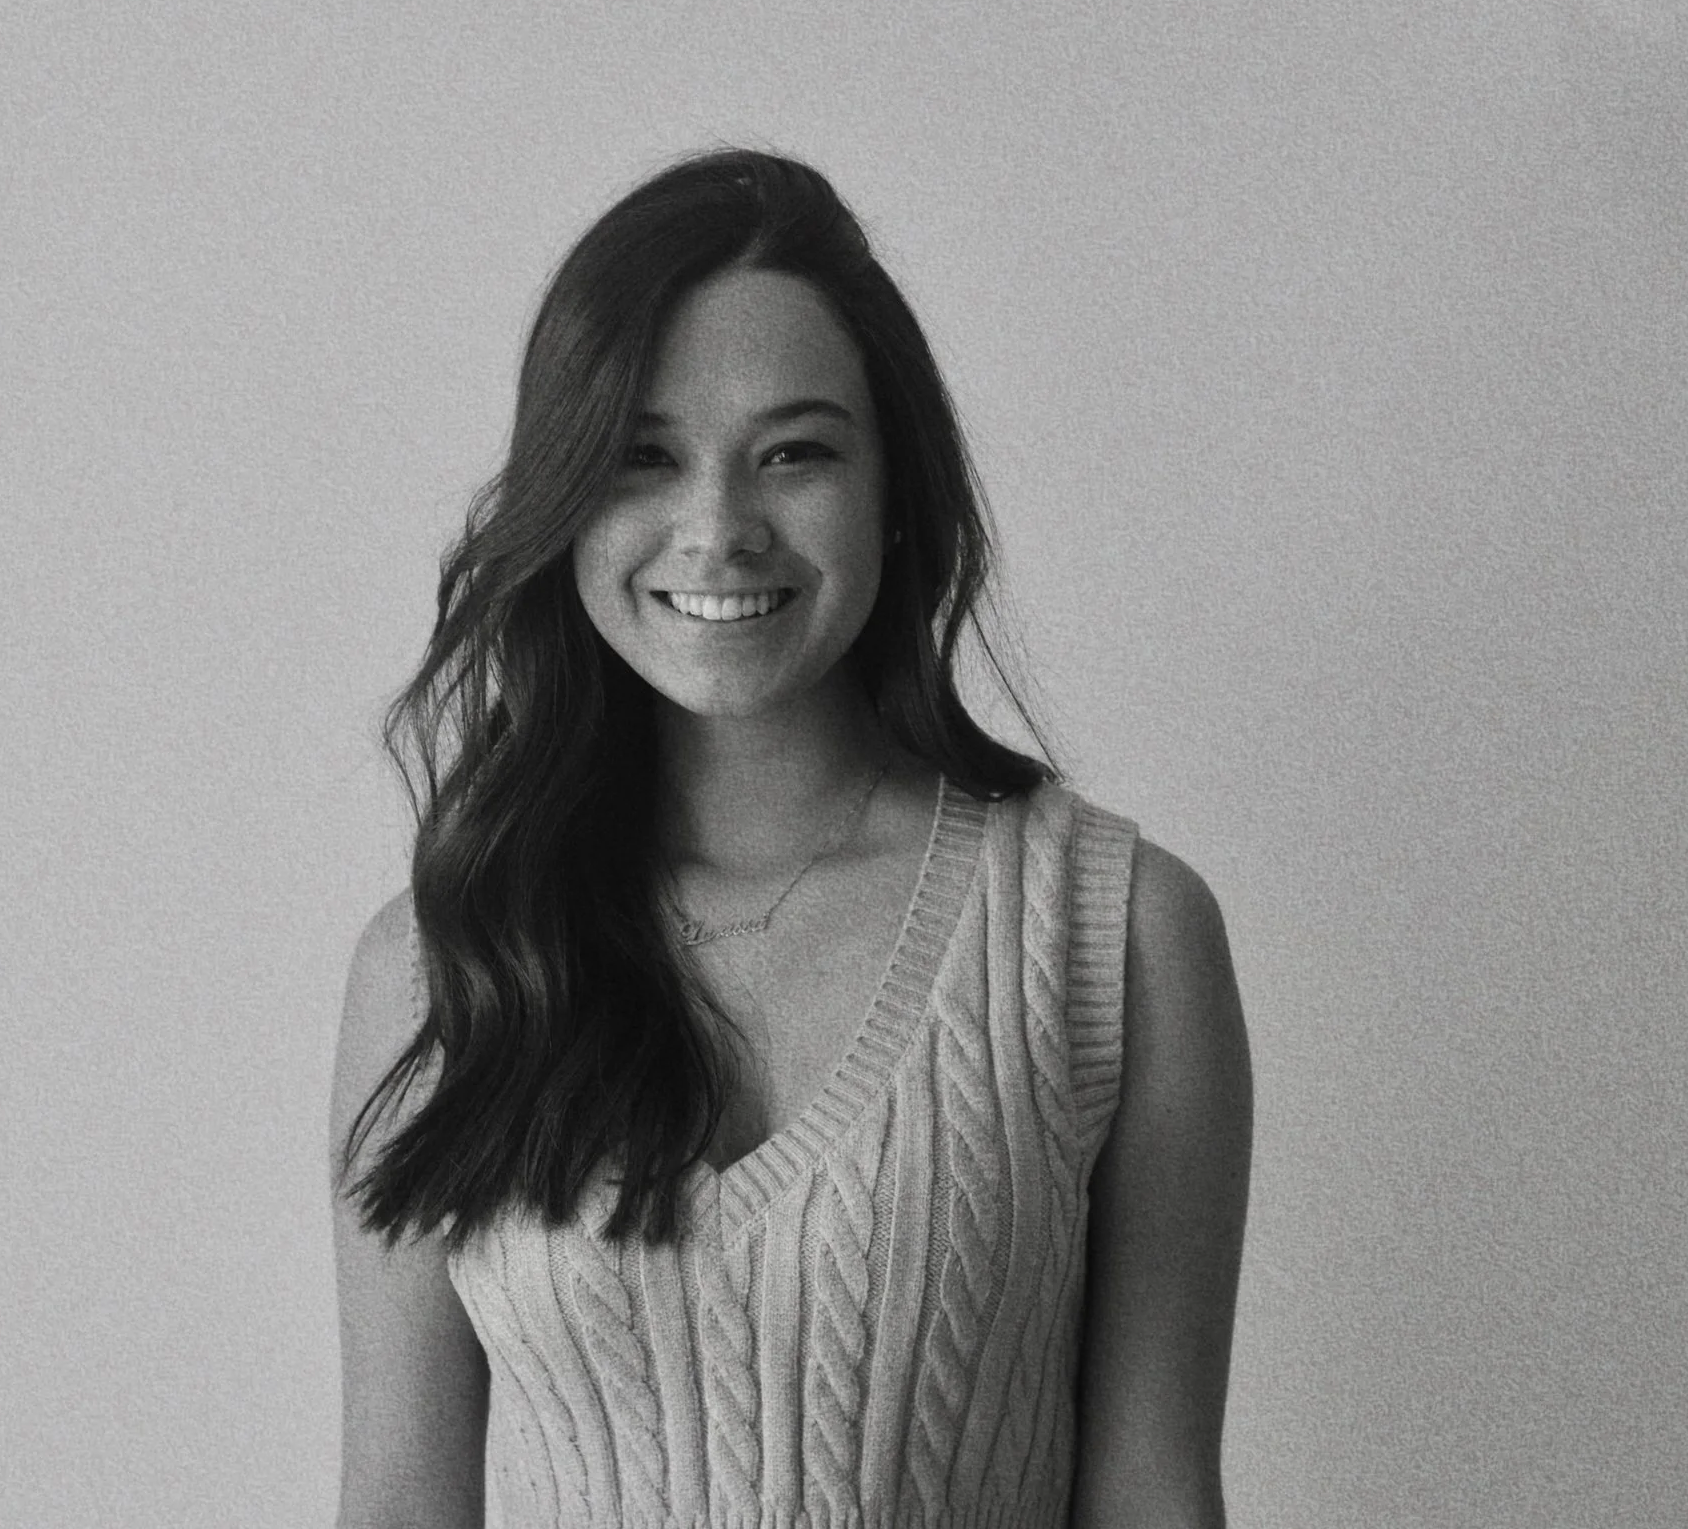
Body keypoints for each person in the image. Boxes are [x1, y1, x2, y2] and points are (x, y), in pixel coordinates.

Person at [330, 149, 1252, 1528]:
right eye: (644, 457)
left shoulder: (1114, 937)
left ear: (895, 491)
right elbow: (398, 1504)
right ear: (564, 498)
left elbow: (1156, 1499)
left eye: (796, 454)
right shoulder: (444, 961)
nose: (718, 530)